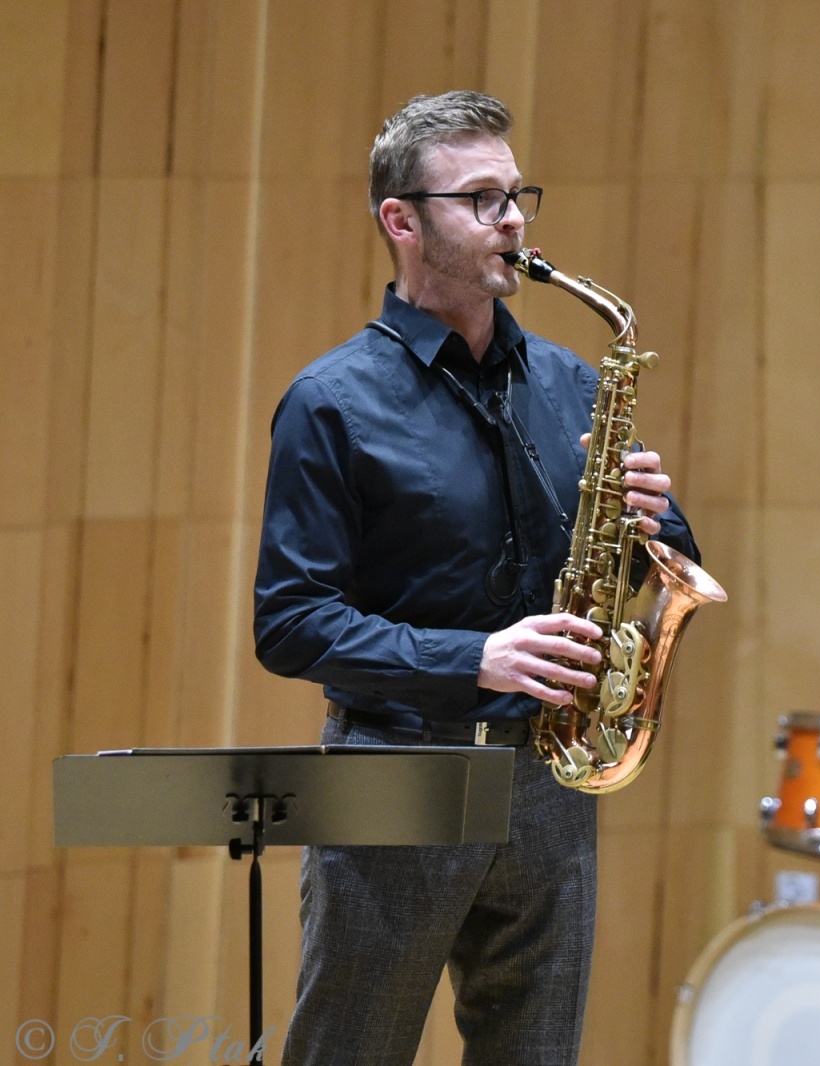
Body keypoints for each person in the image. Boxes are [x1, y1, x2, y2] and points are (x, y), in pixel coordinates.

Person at [253, 90, 699, 1066]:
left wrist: (653, 521)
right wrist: (480, 656)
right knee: (352, 1048)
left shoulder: (574, 383)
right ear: (401, 221)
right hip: (397, 767)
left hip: (550, 774)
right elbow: (290, 622)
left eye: (517, 193)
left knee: (536, 1051)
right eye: (481, 198)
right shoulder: (331, 403)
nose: (513, 219)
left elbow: (658, 567)